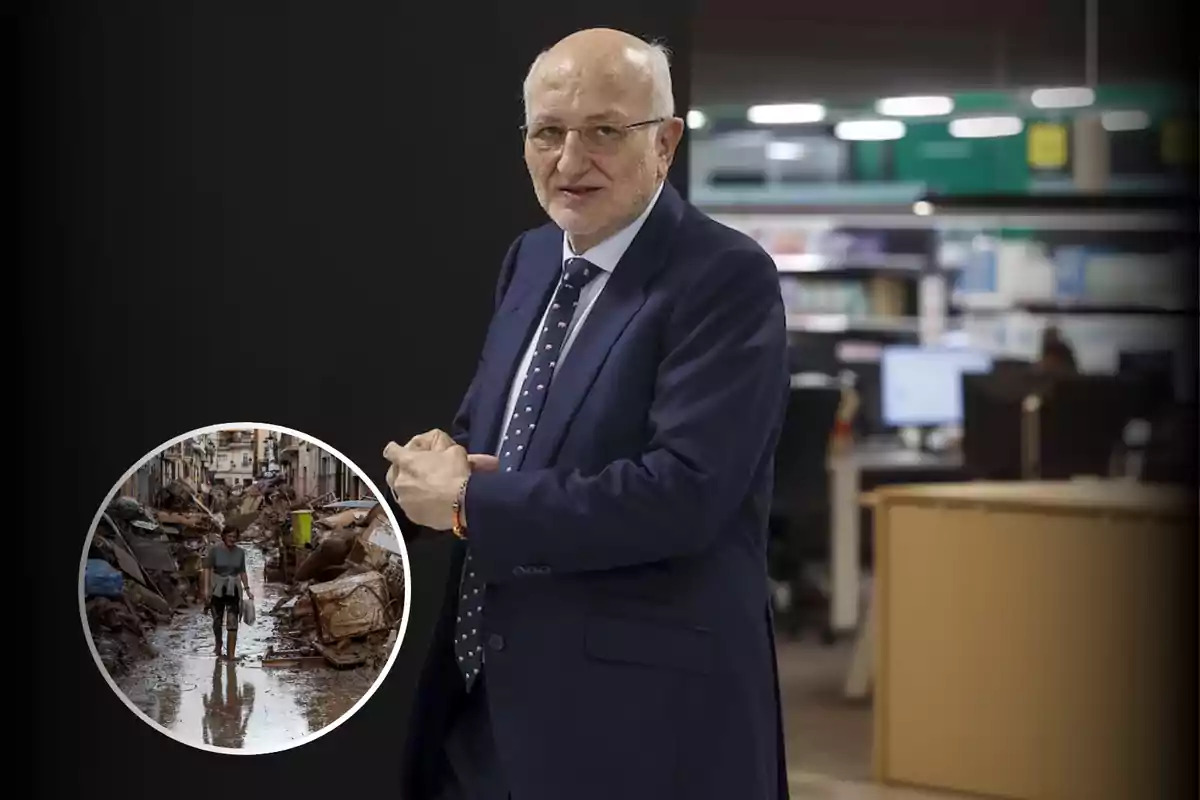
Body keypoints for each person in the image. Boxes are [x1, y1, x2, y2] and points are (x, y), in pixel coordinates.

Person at [385, 28, 790, 800]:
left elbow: (685, 493)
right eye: (548, 133)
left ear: (665, 142)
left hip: (639, 729)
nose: (570, 163)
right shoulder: (532, 257)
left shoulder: (725, 277)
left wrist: (469, 502)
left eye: (605, 131)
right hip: (488, 708)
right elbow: (497, 433)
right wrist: (443, 457)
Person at [201, 527, 253, 661]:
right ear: (224, 536)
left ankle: (230, 655)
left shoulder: (240, 552)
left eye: (234, 537)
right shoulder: (215, 550)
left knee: (232, 621)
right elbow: (207, 569)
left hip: (233, 589)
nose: (232, 539)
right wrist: (206, 589)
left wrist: (247, 589)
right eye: (229, 536)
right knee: (217, 620)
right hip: (217, 588)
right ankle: (218, 643)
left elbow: (242, 571)